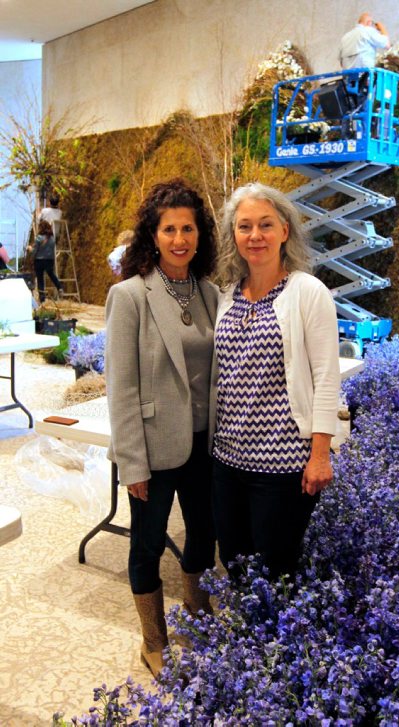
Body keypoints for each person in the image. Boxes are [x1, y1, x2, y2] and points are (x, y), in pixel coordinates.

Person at [105, 179, 218, 677]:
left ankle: (198, 613)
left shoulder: (211, 293)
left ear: (200, 234)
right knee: (147, 544)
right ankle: (154, 639)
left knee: (203, 534)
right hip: (152, 447)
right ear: (153, 236)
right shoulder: (129, 296)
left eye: (187, 228)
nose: (179, 239)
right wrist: (131, 461)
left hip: (205, 444)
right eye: (169, 229)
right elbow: (122, 388)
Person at [212, 183, 340, 581]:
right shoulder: (227, 296)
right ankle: (243, 640)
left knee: (275, 568)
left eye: (265, 224)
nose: (255, 236)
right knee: (232, 558)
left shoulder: (307, 292)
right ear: (233, 235)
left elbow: (326, 376)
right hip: (228, 460)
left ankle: (274, 643)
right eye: (245, 226)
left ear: (285, 230)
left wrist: (320, 454)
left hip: (283, 464)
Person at [28, 220, 63, 302]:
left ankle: (42, 299)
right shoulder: (52, 239)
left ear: (41, 228)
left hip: (39, 261)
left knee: (40, 280)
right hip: (49, 260)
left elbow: (34, 252)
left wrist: (29, 249)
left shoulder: (39, 238)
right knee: (51, 275)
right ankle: (59, 287)